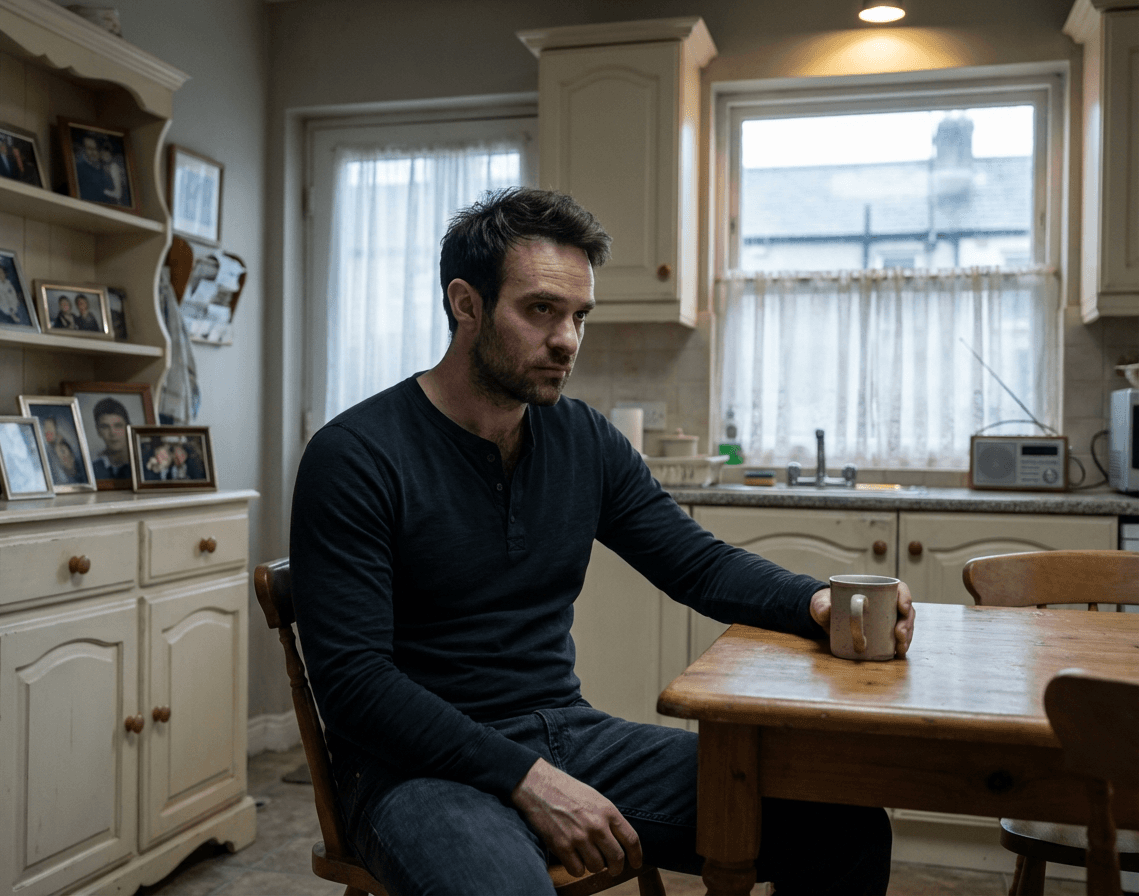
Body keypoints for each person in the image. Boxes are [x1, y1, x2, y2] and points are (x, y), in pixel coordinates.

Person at [290, 188, 915, 896]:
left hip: (567, 735)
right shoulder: (356, 456)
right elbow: (355, 687)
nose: (567, 340)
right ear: (466, 305)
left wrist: (817, 601)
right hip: (414, 770)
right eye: (540, 311)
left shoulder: (581, 437)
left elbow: (695, 562)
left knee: (843, 824)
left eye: (579, 315)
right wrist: (526, 781)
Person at [91, 397, 130, 481]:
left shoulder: (144, 461)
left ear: (128, 428)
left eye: (118, 426)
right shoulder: (92, 468)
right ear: (98, 431)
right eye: (105, 427)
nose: (112, 432)